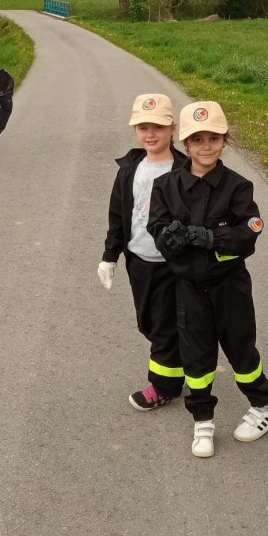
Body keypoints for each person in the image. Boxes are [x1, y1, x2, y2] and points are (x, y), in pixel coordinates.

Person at [148, 100, 268, 458]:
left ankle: (264, 406)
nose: (206, 146)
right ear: (185, 144)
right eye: (197, 139)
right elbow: (156, 227)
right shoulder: (165, 186)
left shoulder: (238, 187)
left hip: (229, 286)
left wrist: (210, 238)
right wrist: (169, 239)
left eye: (214, 138)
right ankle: (202, 419)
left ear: (224, 140)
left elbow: (248, 234)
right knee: (197, 356)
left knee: (241, 350)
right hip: (189, 288)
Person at [97, 93, 187, 410]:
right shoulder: (129, 170)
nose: (150, 134)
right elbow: (118, 216)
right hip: (139, 261)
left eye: (158, 127)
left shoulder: (186, 170)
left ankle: (164, 386)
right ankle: (182, 359)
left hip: (172, 265)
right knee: (147, 322)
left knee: (164, 326)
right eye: (143, 127)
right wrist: (110, 256)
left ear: (172, 129)